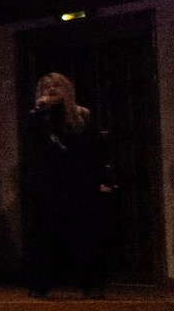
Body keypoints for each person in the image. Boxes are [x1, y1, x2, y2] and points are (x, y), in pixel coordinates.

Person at [22, 71, 113, 299]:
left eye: (56, 88)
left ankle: (91, 284)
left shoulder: (83, 116)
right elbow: (32, 144)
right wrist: (40, 111)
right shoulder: (38, 117)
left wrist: (102, 180)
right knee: (44, 236)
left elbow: (95, 151)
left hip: (79, 184)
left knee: (84, 236)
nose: (51, 92)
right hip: (47, 185)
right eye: (45, 89)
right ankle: (40, 284)